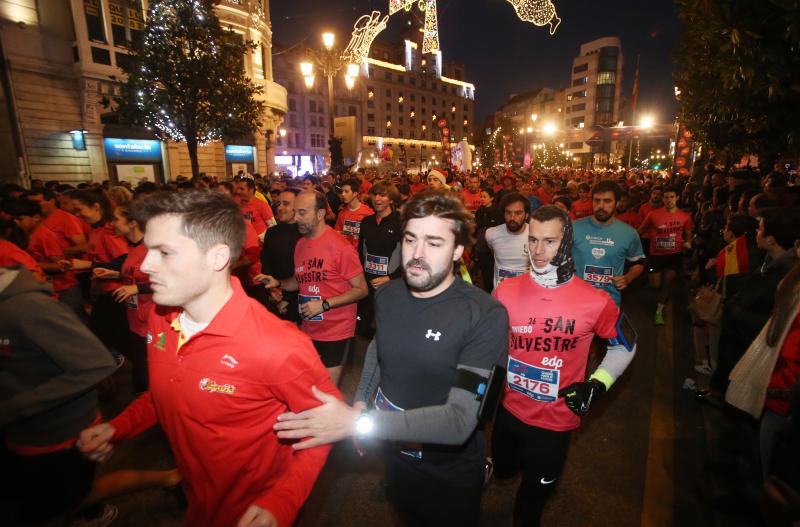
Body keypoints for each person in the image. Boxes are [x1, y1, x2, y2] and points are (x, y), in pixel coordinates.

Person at [76, 190, 341, 527]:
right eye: (147, 250)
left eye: (164, 253)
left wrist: (283, 500)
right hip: (196, 499)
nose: (144, 265)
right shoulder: (161, 317)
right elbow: (167, 391)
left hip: (251, 510)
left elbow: (324, 426)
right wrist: (118, 427)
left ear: (217, 257)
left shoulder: (278, 345)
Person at [272, 189, 509, 527]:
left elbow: (459, 422)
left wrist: (359, 424)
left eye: (434, 243)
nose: (417, 254)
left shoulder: (485, 314)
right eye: (411, 239)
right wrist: (361, 403)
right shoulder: (390, 294)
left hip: (449, 470)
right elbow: (378, 349)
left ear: (458, 250)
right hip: (395, 456)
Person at [491, 205, 634, 526]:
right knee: (504, 469)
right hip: (508, 411)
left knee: (530, 503)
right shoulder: (505, 291)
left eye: (550, 242)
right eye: (533, 240)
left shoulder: (595, 300)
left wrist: (597, 384)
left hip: (554, 422)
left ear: (566, 243)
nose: (538, 251)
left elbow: (626, 345)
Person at [0, 266, 119, 526]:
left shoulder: (28, 308)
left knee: (55, 504)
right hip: (28, 431)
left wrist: (13, 407)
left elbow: (96, 363)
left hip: (58, 431)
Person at [259, 191, 368, 386]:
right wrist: (277, 282)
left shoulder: (340, 247)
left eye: (302, 213)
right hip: (308, 329)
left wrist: (325, 304)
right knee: (309, 388)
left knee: (326, 393)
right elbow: (298, 281)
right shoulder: (301, 243)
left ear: (320, 214)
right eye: (295, 212)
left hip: (336, 332)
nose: (296, 217)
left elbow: (361, 289)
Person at [572, 181, 645, 307]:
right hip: (577, 300)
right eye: (597, 201)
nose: (601, 206)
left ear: (617, 203)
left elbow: (638, 263)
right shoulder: (574, 227)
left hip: (609, 303)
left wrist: (627, 278)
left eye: (607, 201)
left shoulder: (629, 233)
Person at [638, 186, 693, 325]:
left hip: (674, 255)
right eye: (666, 197)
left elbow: (688, 234)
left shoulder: (684, 216)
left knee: (667, 283)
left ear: (677, 198)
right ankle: (658, 300)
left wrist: (688, 243)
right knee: (655, 284)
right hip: (656, 255)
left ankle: (659, 311)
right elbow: (640, 230)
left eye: (672, 197)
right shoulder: (653, 215)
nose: (669, 200)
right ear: (663, 199)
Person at [357, 181, 403, 335]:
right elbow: (360, 251)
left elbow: (409, 256)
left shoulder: (401, 223)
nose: (377, 199)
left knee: (389, 329)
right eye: (374, 194)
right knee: (365, 329)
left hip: (391, 283)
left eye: (383, 195)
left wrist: (391, 277)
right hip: (368, 282)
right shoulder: (366, 222)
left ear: (391, 199)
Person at [257, 188, 302, 321]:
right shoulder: (271, 232)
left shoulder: (305, 234)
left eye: (286, 204)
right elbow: (266, 262)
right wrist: (272, 290)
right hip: (274, 295)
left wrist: (287, 297)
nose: (280, 207)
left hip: (299, 299)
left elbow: (306, 273)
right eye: (279, 204)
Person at [485, 192, 531, 289]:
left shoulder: (535, 235)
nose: (512, 217)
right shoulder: (491, 234)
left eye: (518, 213)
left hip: (527, 294)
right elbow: (493, 251)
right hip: (500, 296)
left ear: (526, 215)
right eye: (508, 212)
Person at [26, 188, 88, 256]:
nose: (32, 206)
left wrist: (55, 252)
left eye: (37, 202)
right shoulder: (33, 219)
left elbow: (82, 247)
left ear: (52, 201)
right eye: (29, 203)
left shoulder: (66, 218)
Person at [334, 179, 374, 249]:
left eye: (346, 191)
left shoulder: (368, 212)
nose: (343, 194)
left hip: (362, 254)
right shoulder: (342, 213)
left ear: (355, 193)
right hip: (347, 253)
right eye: (342, 191)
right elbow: (337, 232)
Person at [234, 175, 275, 239]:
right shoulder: (236, 204)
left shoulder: (262, 205)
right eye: (238, 188)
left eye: (242, 189)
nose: (238, 191)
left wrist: (258, 238)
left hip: (259, 246)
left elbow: (273, 227)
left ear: (251, 190)